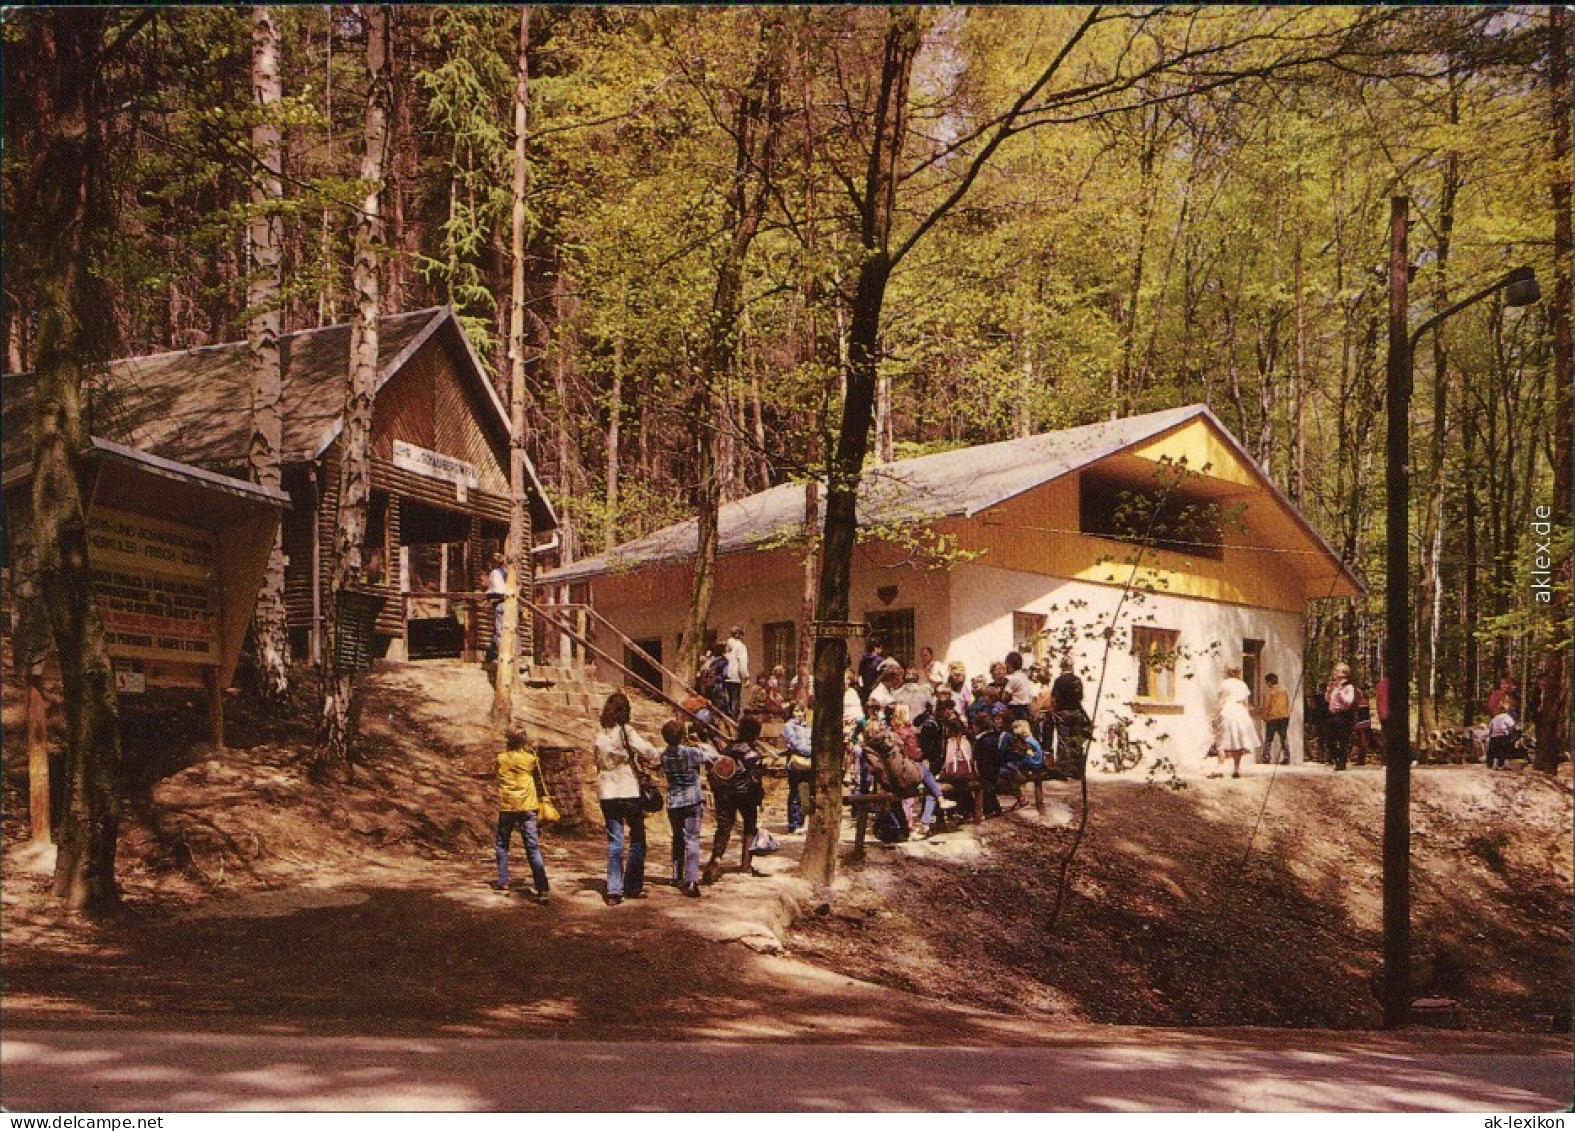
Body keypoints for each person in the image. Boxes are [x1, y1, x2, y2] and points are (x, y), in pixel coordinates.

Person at [592, 691, 661, 905]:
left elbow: (597, 762)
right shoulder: (626, 731)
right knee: (638, 838)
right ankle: (632, 885)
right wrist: (657, 754)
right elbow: (646, 750)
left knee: (615, 840)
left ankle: (613, 889)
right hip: (628, 790)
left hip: (607, 792)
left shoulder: (600, 734)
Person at [704, 716, 766, 884]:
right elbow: (756, 779)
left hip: (725, 794)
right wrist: (759, 798)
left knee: (724, 828)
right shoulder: (754, 755)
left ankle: (715, 861)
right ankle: (745, 865)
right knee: (749, 827)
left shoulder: (727, 750)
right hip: (746, 795)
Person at [661, 719, 718, 896]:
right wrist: (699, 743)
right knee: (692, 839)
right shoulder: (690, 752)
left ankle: (676, 875)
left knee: (677, 838)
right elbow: (713, 755)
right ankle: (691, 879)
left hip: (674, 801)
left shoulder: (664, 755)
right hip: (692, 799)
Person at [492, 726, 550, 900]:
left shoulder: (501, 758)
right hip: (528, 805)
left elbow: (497, 774)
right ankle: (542, 887)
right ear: (524, 740)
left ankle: (503, 882)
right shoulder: (531, 759)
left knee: (502, 844)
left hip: (508, 805)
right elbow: (538, 774)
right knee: (532, 847)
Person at [1211, 665, 1259, 778]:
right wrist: (1247, 718)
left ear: (1227, 672)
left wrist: (1215, 716)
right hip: (1241, 712)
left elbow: (1221, 701)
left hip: (1228, 710)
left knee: (1221, 740)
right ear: (1239, 672)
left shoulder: (1224, 684)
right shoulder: (1243, 685)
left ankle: (1220, 768)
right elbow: (1246, 703)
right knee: (1237, 741)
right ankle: (1237, 769)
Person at [1050, 657, 1088, 778]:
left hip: (1063, 712)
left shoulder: (1059, 681)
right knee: (1076, 740)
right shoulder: (1077, 680)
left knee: (1063, 740)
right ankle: (1078, 770)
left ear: (1062, 666)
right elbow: (1080, 697)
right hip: (1076, 712)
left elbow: (1054, 698)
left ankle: (1063, 770)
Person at [782, 705, 813, 833]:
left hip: (808, 763)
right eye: (796, 711)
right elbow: (795, 744)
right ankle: (793, 823)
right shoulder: (788, 726)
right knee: (795, 792)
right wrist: (812, 751)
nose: (799, 714)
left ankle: (802, 821)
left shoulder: (808, 727)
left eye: (801, 711)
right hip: (795, 762)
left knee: (806, 793)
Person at [1324, 662, 1358, 772]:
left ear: (1343, 673)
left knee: (1343, 739)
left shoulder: (1349, 687)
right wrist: (1329, 691)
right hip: (1332, 714)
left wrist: (1339, 692)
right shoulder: (1334, 686)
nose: (1334, 673)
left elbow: (1348, 702)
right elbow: (1328, 700)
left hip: (1343, 715)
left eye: (1336, 671)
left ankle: (1341, 762)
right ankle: (1336, 757)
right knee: (1329, 739)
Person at [1261, 672, 1292, 765]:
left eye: (1267, 682)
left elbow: (1266, 705)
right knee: (1283, 737)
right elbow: (1287, 703)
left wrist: (1265, 716)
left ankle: (1266, 757)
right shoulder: (1284, 690)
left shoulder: (1269, 691)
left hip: (1272, 717)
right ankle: (1286, 757)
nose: (1267, 684)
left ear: (1270, 682)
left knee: (1269, 738)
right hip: (1284, 716)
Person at [484, 553, 508, 664]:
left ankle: (501, 656)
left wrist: (488, 593)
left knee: (499, 631)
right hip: (511, 604)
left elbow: (499, 590)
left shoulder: (495, 573)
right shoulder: (507, 573)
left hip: (501, 603)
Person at [723, 625, 750, 720]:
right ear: (738, 634)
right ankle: (733, 720)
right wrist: (745, 677)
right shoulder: (740, 646)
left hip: (725, 675)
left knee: (727, 699)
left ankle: (726, 718)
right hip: (735, 676)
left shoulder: (726, 647)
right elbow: (742, 663)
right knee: (735, 700)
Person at [1486, 705, 1518, 770]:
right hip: (1503, 736)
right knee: (1507, 750)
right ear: (1506, 711)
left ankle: (1495, 765)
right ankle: (1506, 765)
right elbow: (1512, 726)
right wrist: (1511, 734)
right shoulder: (1507, 717)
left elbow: (1490, 728)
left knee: (1496, 751)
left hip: (1494, 737)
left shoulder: (1494, 718)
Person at [858, 636, 887, 703]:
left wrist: (862, 687)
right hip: (876, 688)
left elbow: (860, 675)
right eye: (880, 648)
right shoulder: (880, 661)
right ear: (875, 648)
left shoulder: (863, 659)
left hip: (865, 688)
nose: (882, 650)